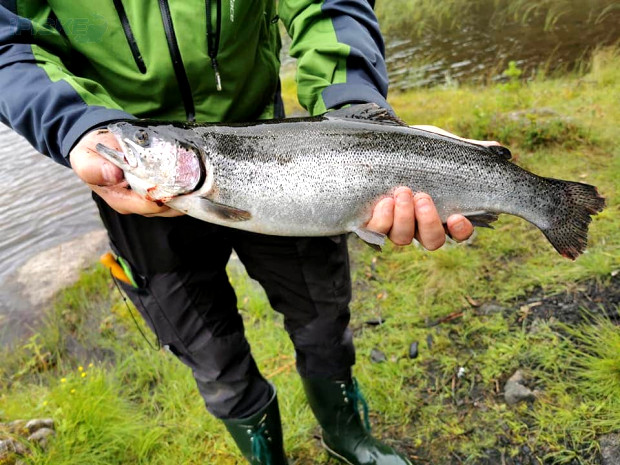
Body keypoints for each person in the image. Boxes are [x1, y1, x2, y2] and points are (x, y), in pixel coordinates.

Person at [0, 1, 488, 463]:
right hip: (134, 194)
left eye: (141, 143)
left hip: (284, 155)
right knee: (208, 351)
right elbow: (8, 42)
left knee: (322, 316)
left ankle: (347, 435)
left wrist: (356, 114)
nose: (133, 145)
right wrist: (80, 127)